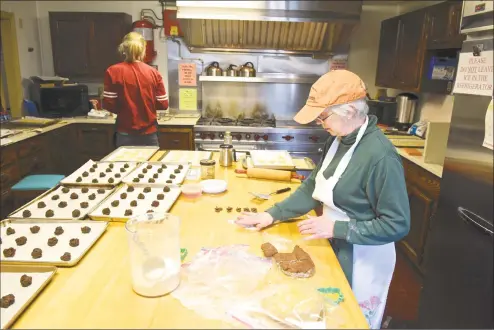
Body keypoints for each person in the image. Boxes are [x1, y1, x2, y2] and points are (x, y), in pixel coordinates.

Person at [235, 70, 410, 329]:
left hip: (362, 254)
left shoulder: (381, 158)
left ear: (349, 111)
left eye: (322, 115)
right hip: (332, 242)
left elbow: (397, 224)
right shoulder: (337, 140)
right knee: (322, 313)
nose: (319, 121)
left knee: (347, 320)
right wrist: (271, 214)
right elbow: (312, 188)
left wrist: (336, 228)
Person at [103, 32, 168, 147]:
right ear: (143, 49)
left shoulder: (112, 71)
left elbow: (109, 105)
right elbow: (163, 104)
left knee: (125, 165)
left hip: (124, 133)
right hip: (149, 134)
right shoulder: (153, 73)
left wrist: (126, 108)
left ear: (124, 49)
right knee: (150, 165)